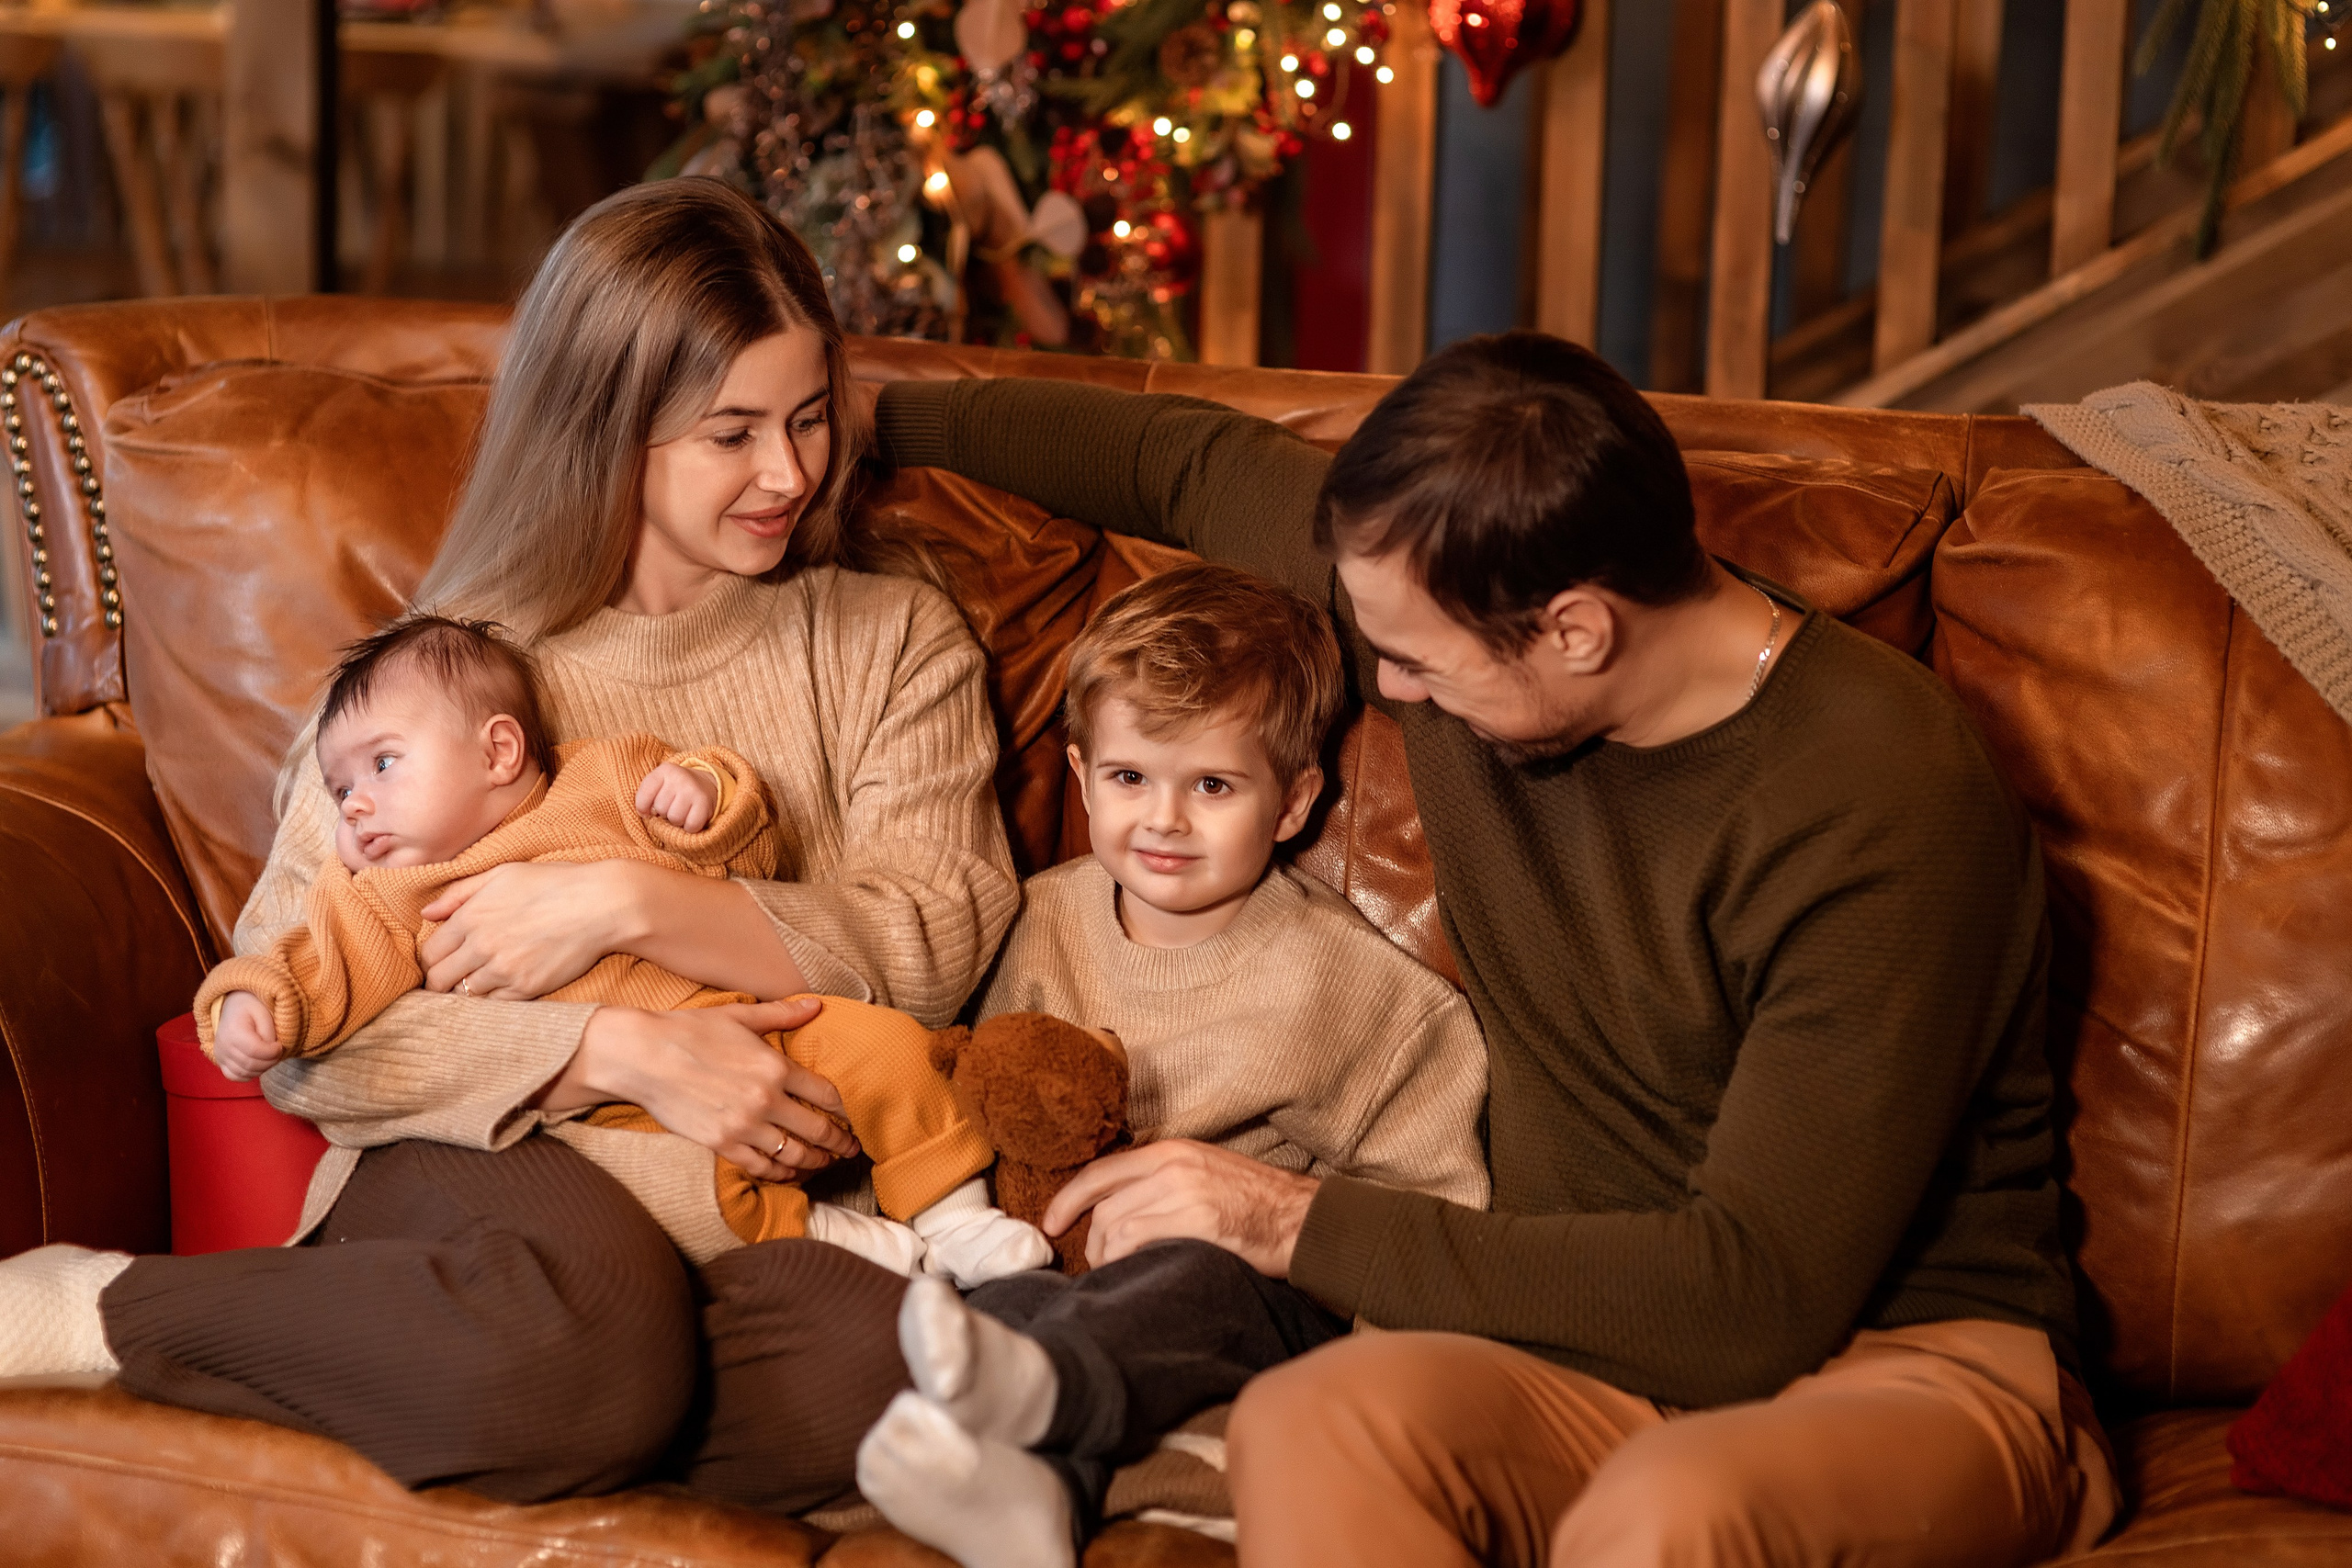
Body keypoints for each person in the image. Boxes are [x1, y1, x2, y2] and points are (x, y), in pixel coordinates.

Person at [865, 332, 2120, 1566]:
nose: (1390, 691)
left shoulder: (1884, 796)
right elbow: (1180, 461)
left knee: (1672, 1511)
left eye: (1413, 662)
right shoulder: (1451, 572)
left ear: (1576, 631)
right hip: (1585, 1363)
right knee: (1312, 1420)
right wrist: (860, 417)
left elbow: (1751, 1298)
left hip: (1907, 1364)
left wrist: (1290, 1216)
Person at [0, 176, 1009, 1516]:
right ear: (609, 432)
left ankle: (447, 1366)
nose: (792, 472)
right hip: (477, 1157)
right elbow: (298, 1009)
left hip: (744, 1188)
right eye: (733, 432)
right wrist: (605, 1050)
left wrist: (622, 899)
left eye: (811, 415)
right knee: (584, 1341)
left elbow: (933, 939)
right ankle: (104, 1307)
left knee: (900, 1366)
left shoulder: (888, 641)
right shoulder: (444, 674)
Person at [852, 561, 1490, 1568]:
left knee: (1183, 1271)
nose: (1163, 819)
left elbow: (1434, 1223)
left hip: (1253, 1310)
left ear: (1292, 804)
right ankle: (1029, 1500)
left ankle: (1042, 1395)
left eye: (1214, 786)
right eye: (1129, 778)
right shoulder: (1037, 920)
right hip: (1056, 1283)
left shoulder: (1366, 995)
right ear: (1080, 778)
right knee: (1006, 1299)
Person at [196, 614, 1048, 1285]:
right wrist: (255, 1000)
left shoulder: (602, 780)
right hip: (593, 1116)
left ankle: (953, 1214)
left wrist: (705, 796)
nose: (352, 805)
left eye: (382, 766)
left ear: (499, 750)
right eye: (341, 787)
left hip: (750, 1018)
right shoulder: (379, 895)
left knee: (893, 1050)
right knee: (682, 1195)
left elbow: (742, 856)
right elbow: (317, 972)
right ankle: (844, 1242)